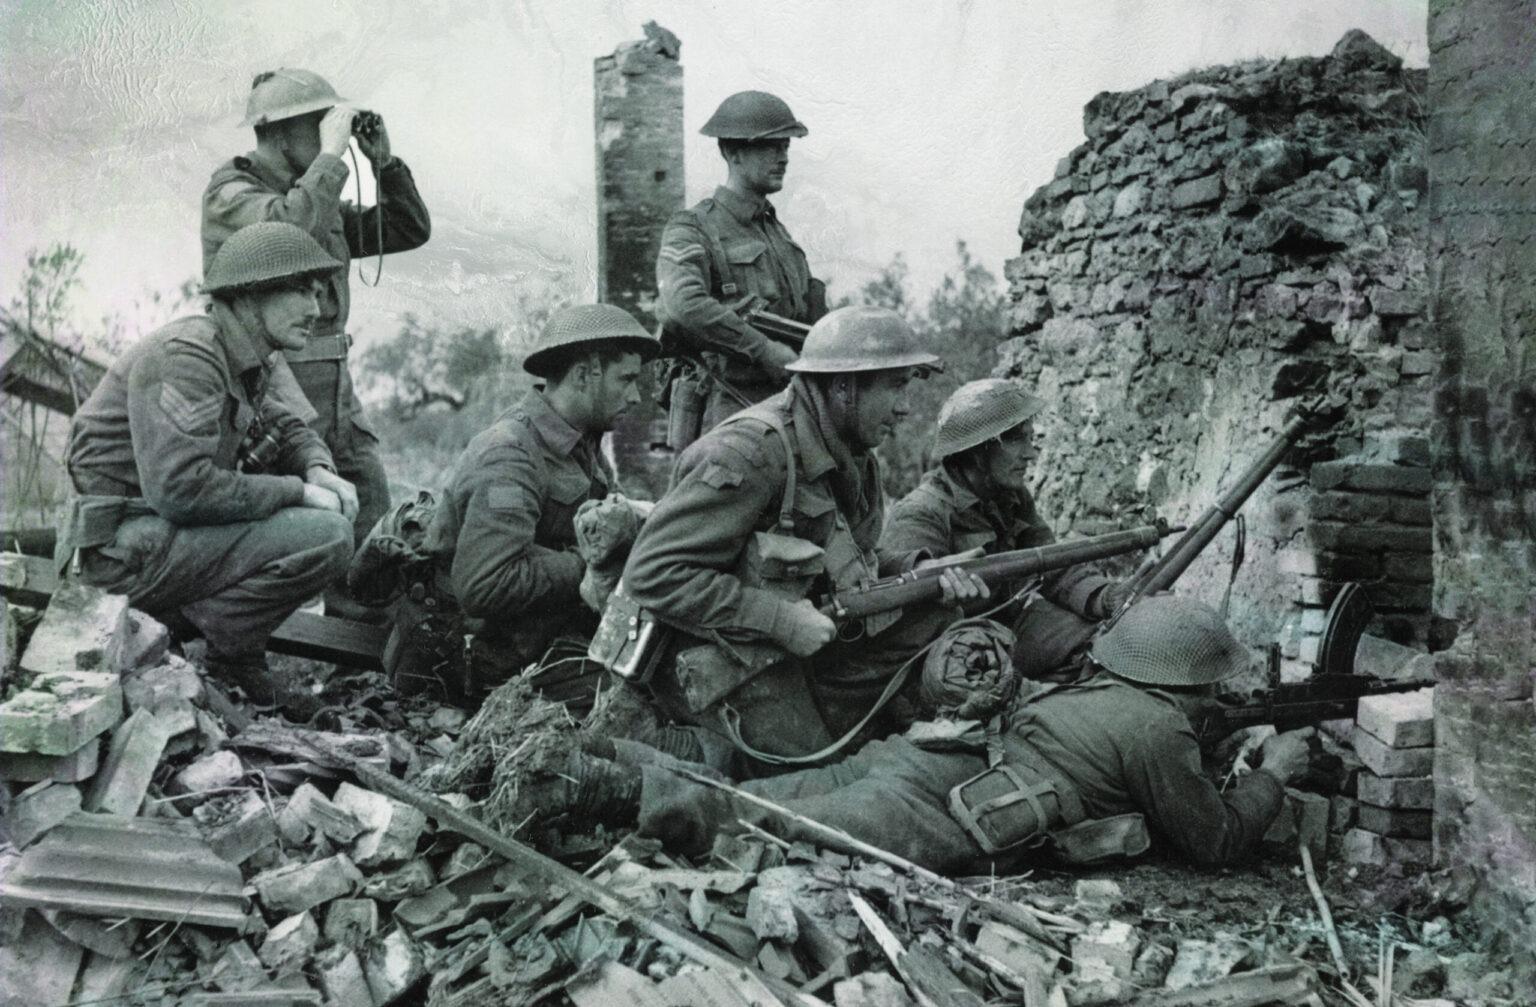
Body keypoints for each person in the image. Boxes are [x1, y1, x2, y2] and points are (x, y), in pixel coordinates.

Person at [567, 595, 1318, 874]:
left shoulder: (1099, 684)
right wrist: (1274, 771)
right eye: (1213, 686)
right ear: (1189, 685)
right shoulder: (1161, 731)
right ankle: (600, 784)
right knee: (769, 824)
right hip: (954, 806)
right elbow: (1215, 840)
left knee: (759, 797)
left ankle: (600, 760)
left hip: (927, 752)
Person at [608, 306, 982, 774]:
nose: (905, 406)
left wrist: (916, 570)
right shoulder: (749, 454)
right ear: (844, 387)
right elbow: (651, 575)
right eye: (895, 386)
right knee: (815, 780)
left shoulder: (853, 454)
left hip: (790, 643)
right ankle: (684, 747)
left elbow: (852, 556)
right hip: (710, 659)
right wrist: (781, 620)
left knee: (934, 618)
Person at [58, 223, 358, 717]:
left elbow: (285, 424)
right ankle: (209, 653)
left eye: (320, 291)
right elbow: (181, 490)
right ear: (248, 293)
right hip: (114, 557)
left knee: (324, 524)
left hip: (155, 541)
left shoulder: (246, 356)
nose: (317, 307)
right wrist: (297, 492)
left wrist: (318, 469)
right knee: (325, 534)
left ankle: (211, 651)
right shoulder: (188, 356)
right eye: (301, 289)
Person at [201, 68, 431, 615]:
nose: (333, 135)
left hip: (334, 380)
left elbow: (407, 229)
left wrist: (384, 165)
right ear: (280, 132)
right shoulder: (233, 193)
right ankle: (247, 644)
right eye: (318, 125)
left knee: (368, 502)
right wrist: (330, 158)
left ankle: (361, 653)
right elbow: (287, 237)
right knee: (297, 512)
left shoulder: (314, 199)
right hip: (276, 379)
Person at [395, 304, 659, 703]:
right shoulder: (510, 454)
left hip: (535, 638)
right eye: (627, 379)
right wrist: (590, 565)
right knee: (640, 702)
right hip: (482, 661)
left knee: (662, 665)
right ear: (586, 373)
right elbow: (486, 584)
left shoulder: (579, 442)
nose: (637, 395)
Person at [879, 378, 1130, 678]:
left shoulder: (1009, 496)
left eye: (1029, 438)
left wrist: (1107, 596)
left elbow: (1054, 564)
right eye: (1015, 440)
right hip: (950, 658)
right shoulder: (920, 515)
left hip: (1008, 628)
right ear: (976, 451)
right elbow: (904, 632)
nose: (1030, 453)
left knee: (1106, 643)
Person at [655, 90, 827, 442]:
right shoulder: (693, 228)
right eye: (770, 147)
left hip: (789, 414)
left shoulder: (782, 238)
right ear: (732, 152)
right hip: (726, 419)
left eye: (786, 147)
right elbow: (679, 305)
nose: (783, 157)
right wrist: (762, 350)